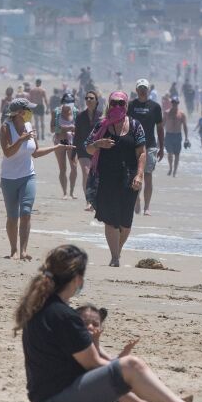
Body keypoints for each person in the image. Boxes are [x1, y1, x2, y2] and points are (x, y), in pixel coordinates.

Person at [15, 244, 202, 402]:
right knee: (132, 366)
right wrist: (135, 373)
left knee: (124, 372)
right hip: (56, 398)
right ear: (77, 279)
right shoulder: (64, 316)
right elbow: (93, 363)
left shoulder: (41, 308)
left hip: (47, 393)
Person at [0, 98, 66, 260]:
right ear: (19, 112)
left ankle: (23, 250)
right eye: (28, 109)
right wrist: (21, 139)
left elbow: (35, 153)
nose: (31, 112)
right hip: (9, 178)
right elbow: (8, 152)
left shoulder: (29, 126)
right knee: (12, 216)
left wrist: (56, 148)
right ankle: (13, 250)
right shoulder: (5, 127)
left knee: (26, 213)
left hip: (28, 175)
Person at [85, 91, 146, 267]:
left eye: (121, 103)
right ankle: (115, 257)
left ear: (126, 106)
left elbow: (141, 152)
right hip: (106, 178)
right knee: (110, 219)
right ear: (108, 105)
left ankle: (116, 251)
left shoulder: (135, 126)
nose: (117, 106)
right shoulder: (101, 126)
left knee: (125, 222)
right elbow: (87, 148)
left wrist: (139, 175)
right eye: (114, 103)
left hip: (130, 178)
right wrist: (98, 144)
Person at [127, 79, 164, 216]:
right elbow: (125, 125)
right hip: (133, 145)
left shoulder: (155, 107)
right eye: (140, 88)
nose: (142, 90)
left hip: (150, 146)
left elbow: (160, 128)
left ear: (148, 90)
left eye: (145, 88)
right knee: (135, 175)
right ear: (136, 90)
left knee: (147, 175)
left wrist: (161, 147)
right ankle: (136, 200)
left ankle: (147, 207)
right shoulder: (130, 105)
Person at [76, 89, 101, 212]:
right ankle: (88, 201)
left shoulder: (101, 117)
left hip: (97, 150)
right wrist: (73, 152)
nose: (89, 100)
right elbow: (77, 135)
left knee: (96, 176)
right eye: (87, 98)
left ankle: (95, 200)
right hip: (83, 149)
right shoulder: (80, 116)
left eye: (91, 98)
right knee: (86, 172)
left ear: (97, 101)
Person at [52, 93, 78, 199]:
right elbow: (52, 128)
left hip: (72, 141)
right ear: (62, 103)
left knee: (74, 167)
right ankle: (65, 193)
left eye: (70, 103)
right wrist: (66, 128)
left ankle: (72, 192)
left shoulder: (76, 112)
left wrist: (74, 129)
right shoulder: (56, 112)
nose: (68, 105)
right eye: (66, 103)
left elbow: (78, 128)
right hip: (60, 140)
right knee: (62, 168)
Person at [163, 96, 188, 177]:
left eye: (176, 103)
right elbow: (162, 125)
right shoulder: (166, 113)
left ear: (178, 103)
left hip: (178, 135)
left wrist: (186, 138)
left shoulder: (181, 114)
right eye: (173, 103)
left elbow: (185, 126)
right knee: (169, 153)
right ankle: (170, 168)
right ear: (171, 103)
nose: (175, 104)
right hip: (169, 135)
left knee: (177, 154)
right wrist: (159, 137)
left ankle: (174, 171)